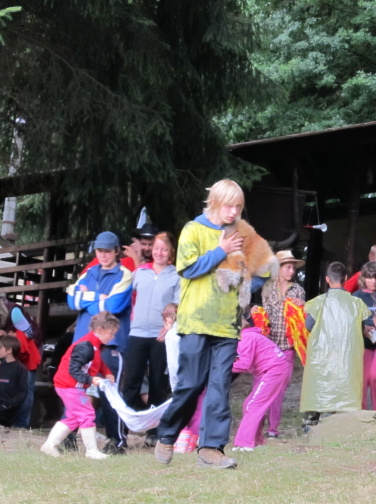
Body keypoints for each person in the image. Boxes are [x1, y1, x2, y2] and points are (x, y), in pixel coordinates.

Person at [154, 179, 265, 470]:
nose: (234, 212)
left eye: (238, 206)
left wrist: (247, 280)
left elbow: (257, 270)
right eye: (229, 205)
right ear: (214, 202)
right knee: (190, 385)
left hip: (227, 326)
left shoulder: (242, 233)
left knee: (219, 388)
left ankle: (211, 448)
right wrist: (221, 250)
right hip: (196, 321)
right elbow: (188, 268)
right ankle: (167, 435)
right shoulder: (193, 229)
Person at [67, 231, 133, 454]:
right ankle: (68, 437)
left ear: (116, 251)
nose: (103, 255)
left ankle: (117, 441)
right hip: (84, 342)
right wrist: (98, 297)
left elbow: (113, 307)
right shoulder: (89, 272)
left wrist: (87, 297)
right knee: (76, 390)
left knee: (110, 392)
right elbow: (72, 300)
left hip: (111, 343)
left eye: (107, 251)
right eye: (99, 251)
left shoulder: (124, 274)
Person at [122, 232, 180, 446]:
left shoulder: (176, 276)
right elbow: (126, 297)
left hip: (160, 336)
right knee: (131, 382)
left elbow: (177, 304)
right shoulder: (140, 272)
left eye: (164, 249)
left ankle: (155, 433)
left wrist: (168, 325)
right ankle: (121, 431)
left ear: (171, 252)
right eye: (156, 248)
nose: (159, 253)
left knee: (158, 383)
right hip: (136, 334)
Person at [40, 311, 118, 460]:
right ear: (100, 330)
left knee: (73, 418)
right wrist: (91, 379)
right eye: (111, 333)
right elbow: (73, 370)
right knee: (87, 414)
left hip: (71, 386)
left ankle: (49, 445)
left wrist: (106, 372)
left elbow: (97, 362)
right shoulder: (85, 346)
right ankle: (91, 451)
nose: (113, 337)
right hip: (69, 386)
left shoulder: (95, 345)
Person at [300, 262, 369, 425]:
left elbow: (309, 325)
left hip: (321, 352)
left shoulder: (318, 302)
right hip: (346, 354)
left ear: (327, 279)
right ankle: (331, 420)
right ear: (345, 278)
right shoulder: (356, 303)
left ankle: (311, 421)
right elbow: (361, 327)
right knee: (340, 383)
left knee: (318, 384)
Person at [232, 310, 295, 451]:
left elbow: (244, 364)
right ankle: (256, 441)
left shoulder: (246, 338)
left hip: (274, 370)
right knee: (249, 404)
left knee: (253, 405)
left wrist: (221, 366)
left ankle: (244, 444)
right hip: (276, 369)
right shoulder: (249, 335)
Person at [261, 249, 306, 438]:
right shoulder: (267, 288)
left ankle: (273, 428)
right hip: (268, 345)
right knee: (263, 385)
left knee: (279, 387)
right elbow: (264, 316)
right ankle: (258, 424)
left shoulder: (298, 290)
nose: (291, 271)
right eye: (288, 267)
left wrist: (301, 306)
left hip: (288, 345)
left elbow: (302, 319)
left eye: (293, 268)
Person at [0, 298, 42, 429]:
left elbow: (29, 334)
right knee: (9, 385)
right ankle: (6, 420)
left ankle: (21, 424)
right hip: (12, 349)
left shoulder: (14, 312)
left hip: (28, 350)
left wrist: (7, 334)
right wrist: (4, 334)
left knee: (25, 387)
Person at [352, 261, 376, 410]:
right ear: (363, 278)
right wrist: (362, 328)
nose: (373, 281)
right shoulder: (356, 297)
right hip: (363, 344)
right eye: (370, 277)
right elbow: (351, 320)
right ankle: (361, 412)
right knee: (362, 379)